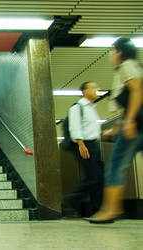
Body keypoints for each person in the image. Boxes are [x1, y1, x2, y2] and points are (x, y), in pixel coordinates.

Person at [87, 37, 143, 223]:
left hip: (136, 124)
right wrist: (118, 127)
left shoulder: (127, 66)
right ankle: (113, 208)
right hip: (136, 122)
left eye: (112, 51)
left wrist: (129, 122)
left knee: (115, 166)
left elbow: (136, 92)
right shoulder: (133, 66)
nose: (111, 55)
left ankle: (110, 210)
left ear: (119, 52)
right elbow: (129, 100)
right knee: (117, 165)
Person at [62, 81, 104, 217]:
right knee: (93, 177)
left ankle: (97, 210)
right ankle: (69, 201)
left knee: (99, 178)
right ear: (84, 91)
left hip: (93, 144)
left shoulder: (91, 108)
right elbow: (74, 127)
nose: (96, 90)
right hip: (84, 145)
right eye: (93, 88)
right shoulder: (77, 107)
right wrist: (81, 144)